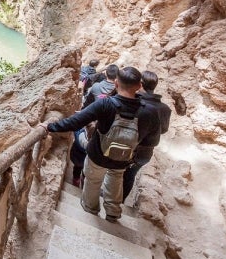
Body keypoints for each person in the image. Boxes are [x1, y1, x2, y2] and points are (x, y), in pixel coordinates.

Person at [41, 67, 160, 222]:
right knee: (116, 179)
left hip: (97, 155)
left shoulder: (105, 104)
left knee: (93, 180)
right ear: (139, 86)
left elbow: (76, 122)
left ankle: (90, 210)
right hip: (123, 158)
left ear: (116, 83)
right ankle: (112, 213)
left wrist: (49, 127)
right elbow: (153, 141)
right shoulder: (150, 112)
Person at [122, 70, 172, 200]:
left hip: (126, 146)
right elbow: (164, 129)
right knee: (130, 176)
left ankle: (108, 200)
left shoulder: (135, 101)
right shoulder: (165, 108)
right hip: (145, 152)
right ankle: (120, 202)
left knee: (114, 173)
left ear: (140, 83)